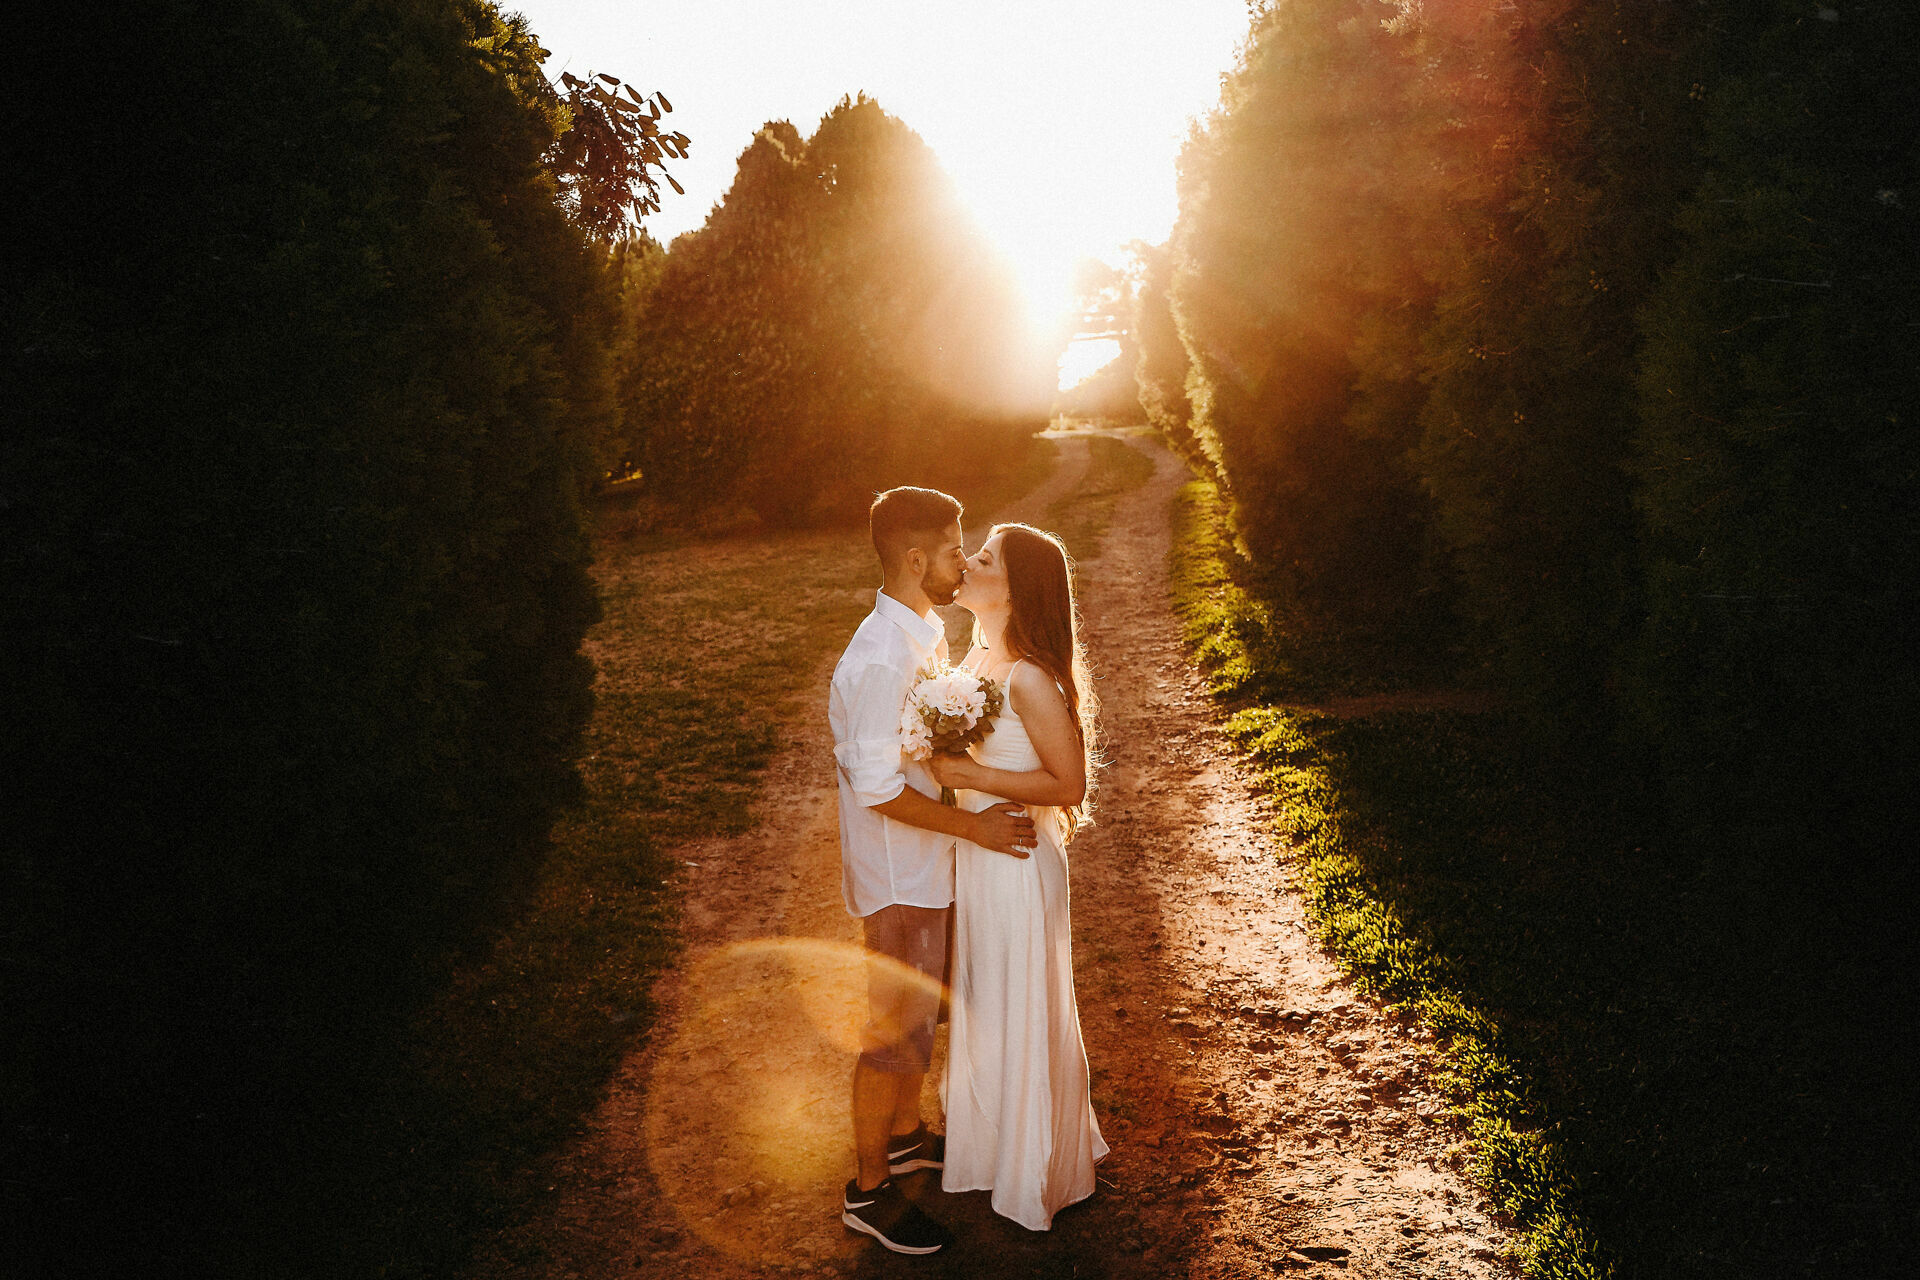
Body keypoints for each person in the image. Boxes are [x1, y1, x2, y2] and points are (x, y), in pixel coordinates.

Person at [828, 487, 1037, 1255]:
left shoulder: (920, 633)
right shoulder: (880, 658)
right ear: (917, 559)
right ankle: (868, 1190)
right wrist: (974, 826)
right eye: (955, 549)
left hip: (929, 867)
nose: (963, 560)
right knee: (893, 1034)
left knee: (921, 1019)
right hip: (901, 878)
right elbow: (878, 789)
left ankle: (910, 1134)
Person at [928, 523, 1109, 1231]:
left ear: (1014, 587)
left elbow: (1070, 784)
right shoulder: (973, 656)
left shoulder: (1028, 676)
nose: (967, 563)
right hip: (979, 854)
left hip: (1018, 863)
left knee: (1019, 1004)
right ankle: (990, 1147)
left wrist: (972, 775)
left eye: (983, 558)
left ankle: (1037, 1167)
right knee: (984, 1003)